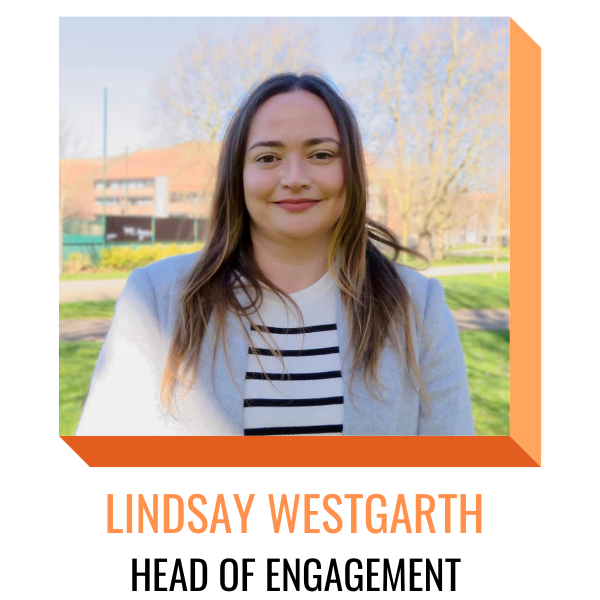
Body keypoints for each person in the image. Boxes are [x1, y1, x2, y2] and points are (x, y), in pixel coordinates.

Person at [76, 73, 474, 436]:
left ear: (351, 170)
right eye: (268, 157)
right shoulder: (156, 299)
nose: (295, 178)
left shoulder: (418, 309)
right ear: (239, 175)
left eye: (321, 154)